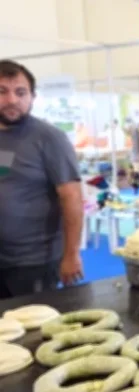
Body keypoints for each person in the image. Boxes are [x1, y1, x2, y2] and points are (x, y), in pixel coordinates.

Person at [0, 60, 84, 298]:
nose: (12, 100)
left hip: (33, 261)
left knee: (33, 331)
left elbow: (72, 197)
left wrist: (71, 255)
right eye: (2, 91)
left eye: (20, 92)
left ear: (33, 97)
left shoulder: (49, 138)